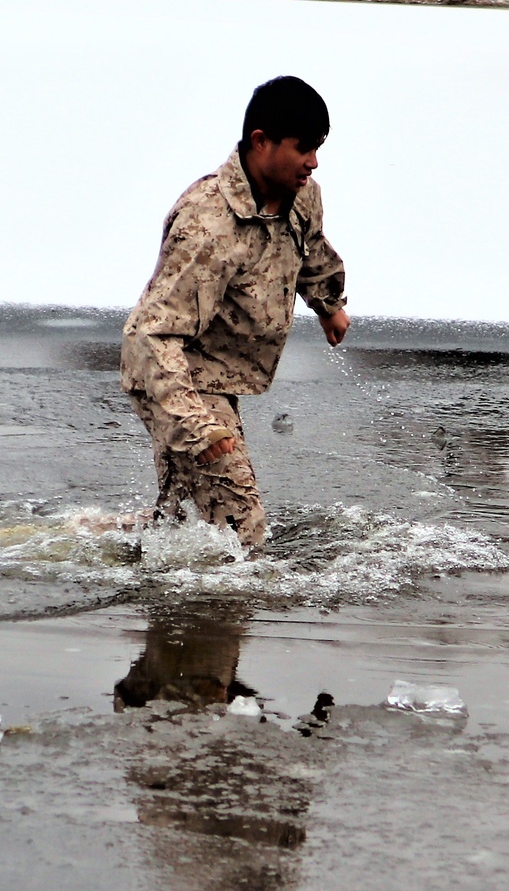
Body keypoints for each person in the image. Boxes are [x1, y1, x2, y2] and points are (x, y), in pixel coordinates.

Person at [120, 75, 349, 552]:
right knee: (243, 528)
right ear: (261, 142)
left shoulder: (301, 195)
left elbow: (308, 248)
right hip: (177, 378)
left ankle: (105, 554)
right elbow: (153, 334)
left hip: (221, 373)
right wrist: (195, 424)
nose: (313, 161)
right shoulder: (207, 225)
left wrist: (328, 303)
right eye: (303, 147)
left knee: (183, 523)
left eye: (319, 147)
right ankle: (218, 617)